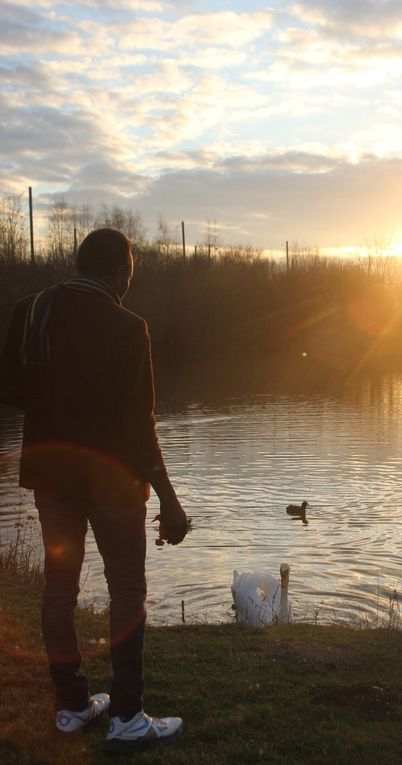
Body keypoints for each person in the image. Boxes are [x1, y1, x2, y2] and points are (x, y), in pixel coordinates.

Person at [0, 228, 189, 753]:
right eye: (131, 268)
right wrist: (169, 500)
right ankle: (127, 716)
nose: (131, 278)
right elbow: (140, 425)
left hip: (52, 478)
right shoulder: (128, 328)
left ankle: (73, 705)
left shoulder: (30, 310)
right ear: (121, 268)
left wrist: (55, 405)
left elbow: (8, 386)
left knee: (59, 589)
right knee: (127, 589)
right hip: (112, 483)